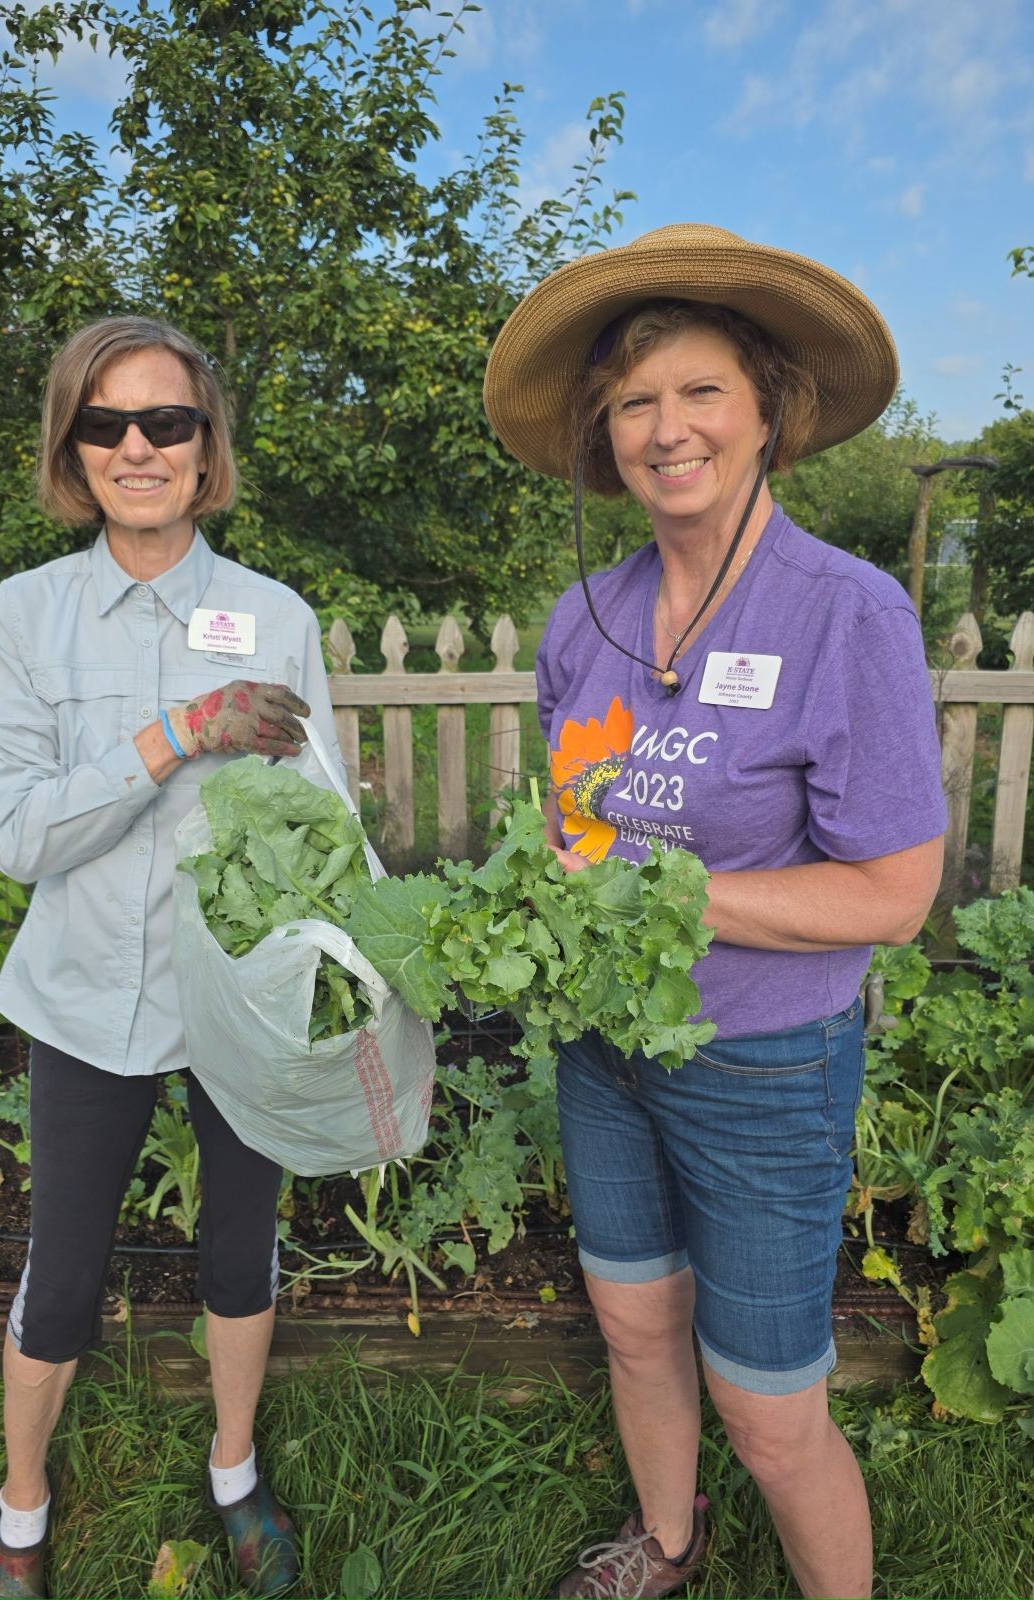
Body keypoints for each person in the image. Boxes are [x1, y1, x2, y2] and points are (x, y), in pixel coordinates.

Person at [483, 224, 947, 1600]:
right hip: (604, 1049)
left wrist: (656, 900)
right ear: (604, 436)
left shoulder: (844, 613)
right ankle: (668, 1546)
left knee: (768, 1404)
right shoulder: (587, 614)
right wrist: (552, 885)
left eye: (698, 392)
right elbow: (576, 814)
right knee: (634, 1329)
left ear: (765, 414)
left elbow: (897, 893)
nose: (665, 427)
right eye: (633, 401)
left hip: (761, 1064)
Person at [0, 315, 340, 1599]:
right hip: (78, 994)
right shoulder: (28, 615)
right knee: (62, 1268)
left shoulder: (275, 617)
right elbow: (20, 839)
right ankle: (23, 1507)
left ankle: (234, 1474)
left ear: (204, 446)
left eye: (166, 423)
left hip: (233, 1001)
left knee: (242, 1250)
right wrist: (176, 733)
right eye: (106, 424)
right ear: (74, 449)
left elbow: (323, 820)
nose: (138, 447)